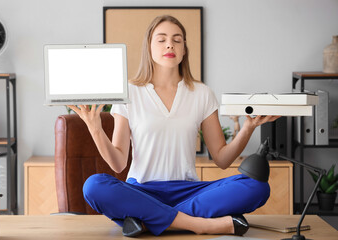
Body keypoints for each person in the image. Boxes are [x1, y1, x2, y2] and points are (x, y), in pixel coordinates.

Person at [68, 15, 279, 237]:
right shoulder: (129, 92)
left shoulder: (202, 93)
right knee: (93, 186)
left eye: (177, 40)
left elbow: (222, 159)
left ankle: (147, 221)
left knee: (257, 187)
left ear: (184, 49)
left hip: (190, 192)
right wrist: (95, 128)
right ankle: (199, 224)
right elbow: (119, 163)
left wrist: (248, 128)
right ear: (148, 47)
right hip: (141, 189)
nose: (170, 44)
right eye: (161, 39)